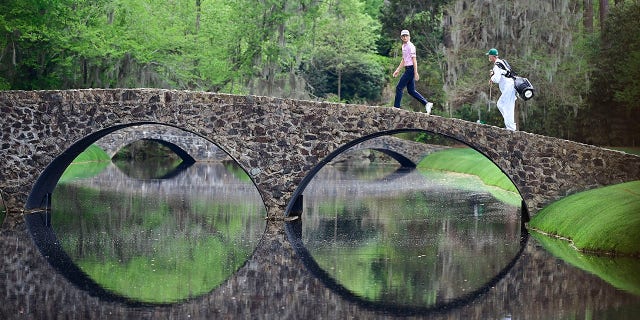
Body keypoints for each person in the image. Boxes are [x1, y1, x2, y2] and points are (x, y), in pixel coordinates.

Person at [393, 29, 433, 114]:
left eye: (406, 36)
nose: (405, 37)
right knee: (411, 91)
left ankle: (396, 107)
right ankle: (426, 103)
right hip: (407, 68)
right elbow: (404, 60)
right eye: (403, 36)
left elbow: (414, 60)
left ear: (409, 37)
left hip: (411, 69)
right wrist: (398, 70)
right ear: (401, 37)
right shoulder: (403, 46)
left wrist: (416, 72)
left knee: (399, 88)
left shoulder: (411, 46)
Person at [487, 48, 517, 131]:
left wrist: (491, 78)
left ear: (492, 56)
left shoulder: (497, 65)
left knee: (505, 106)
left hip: (509, 87)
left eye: (489, 56)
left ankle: (511, 129)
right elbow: (503, 73)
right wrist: (493, 74)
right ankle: (509, 125)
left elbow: (496, 79)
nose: (488, 57)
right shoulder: (501, 62)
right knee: (501, 105)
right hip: (510, 86)